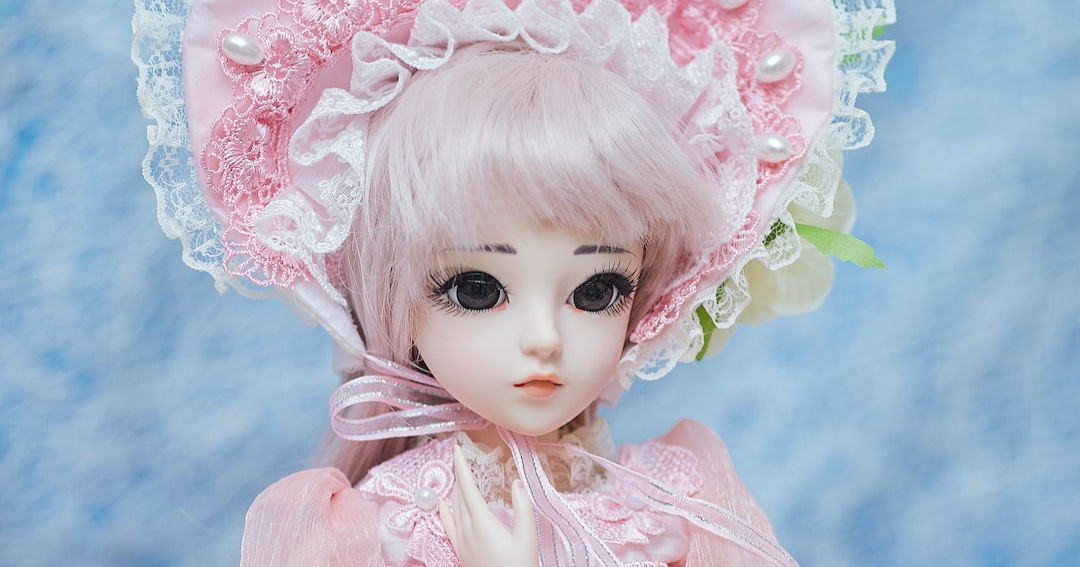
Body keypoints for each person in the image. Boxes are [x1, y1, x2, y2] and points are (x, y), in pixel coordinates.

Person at [132, 0, 894, 565]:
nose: (543, 339)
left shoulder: (675, 505)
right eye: (475, 289)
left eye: (597, 291)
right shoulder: (374, 528)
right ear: (391, 290)